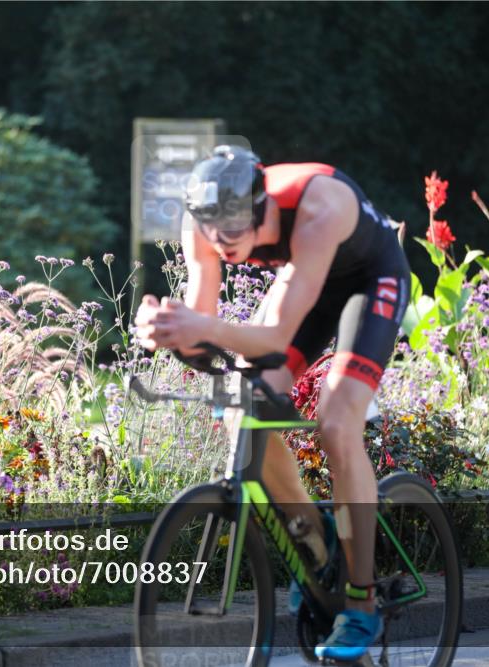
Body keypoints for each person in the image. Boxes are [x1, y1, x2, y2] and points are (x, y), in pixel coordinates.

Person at [134, 145, 410, 661]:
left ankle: (361, 599)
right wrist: (167, 332)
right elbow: (205, 336)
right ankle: (321, 545)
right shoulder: (203, 223)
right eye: (215, 233)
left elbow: (277, 334)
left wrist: (198, 327)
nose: (225, 243)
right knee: (242, 407)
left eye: (237, 232)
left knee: (336, 420)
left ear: (263, 207)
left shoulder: (316, 209)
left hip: (370, 282)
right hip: (308, 280)